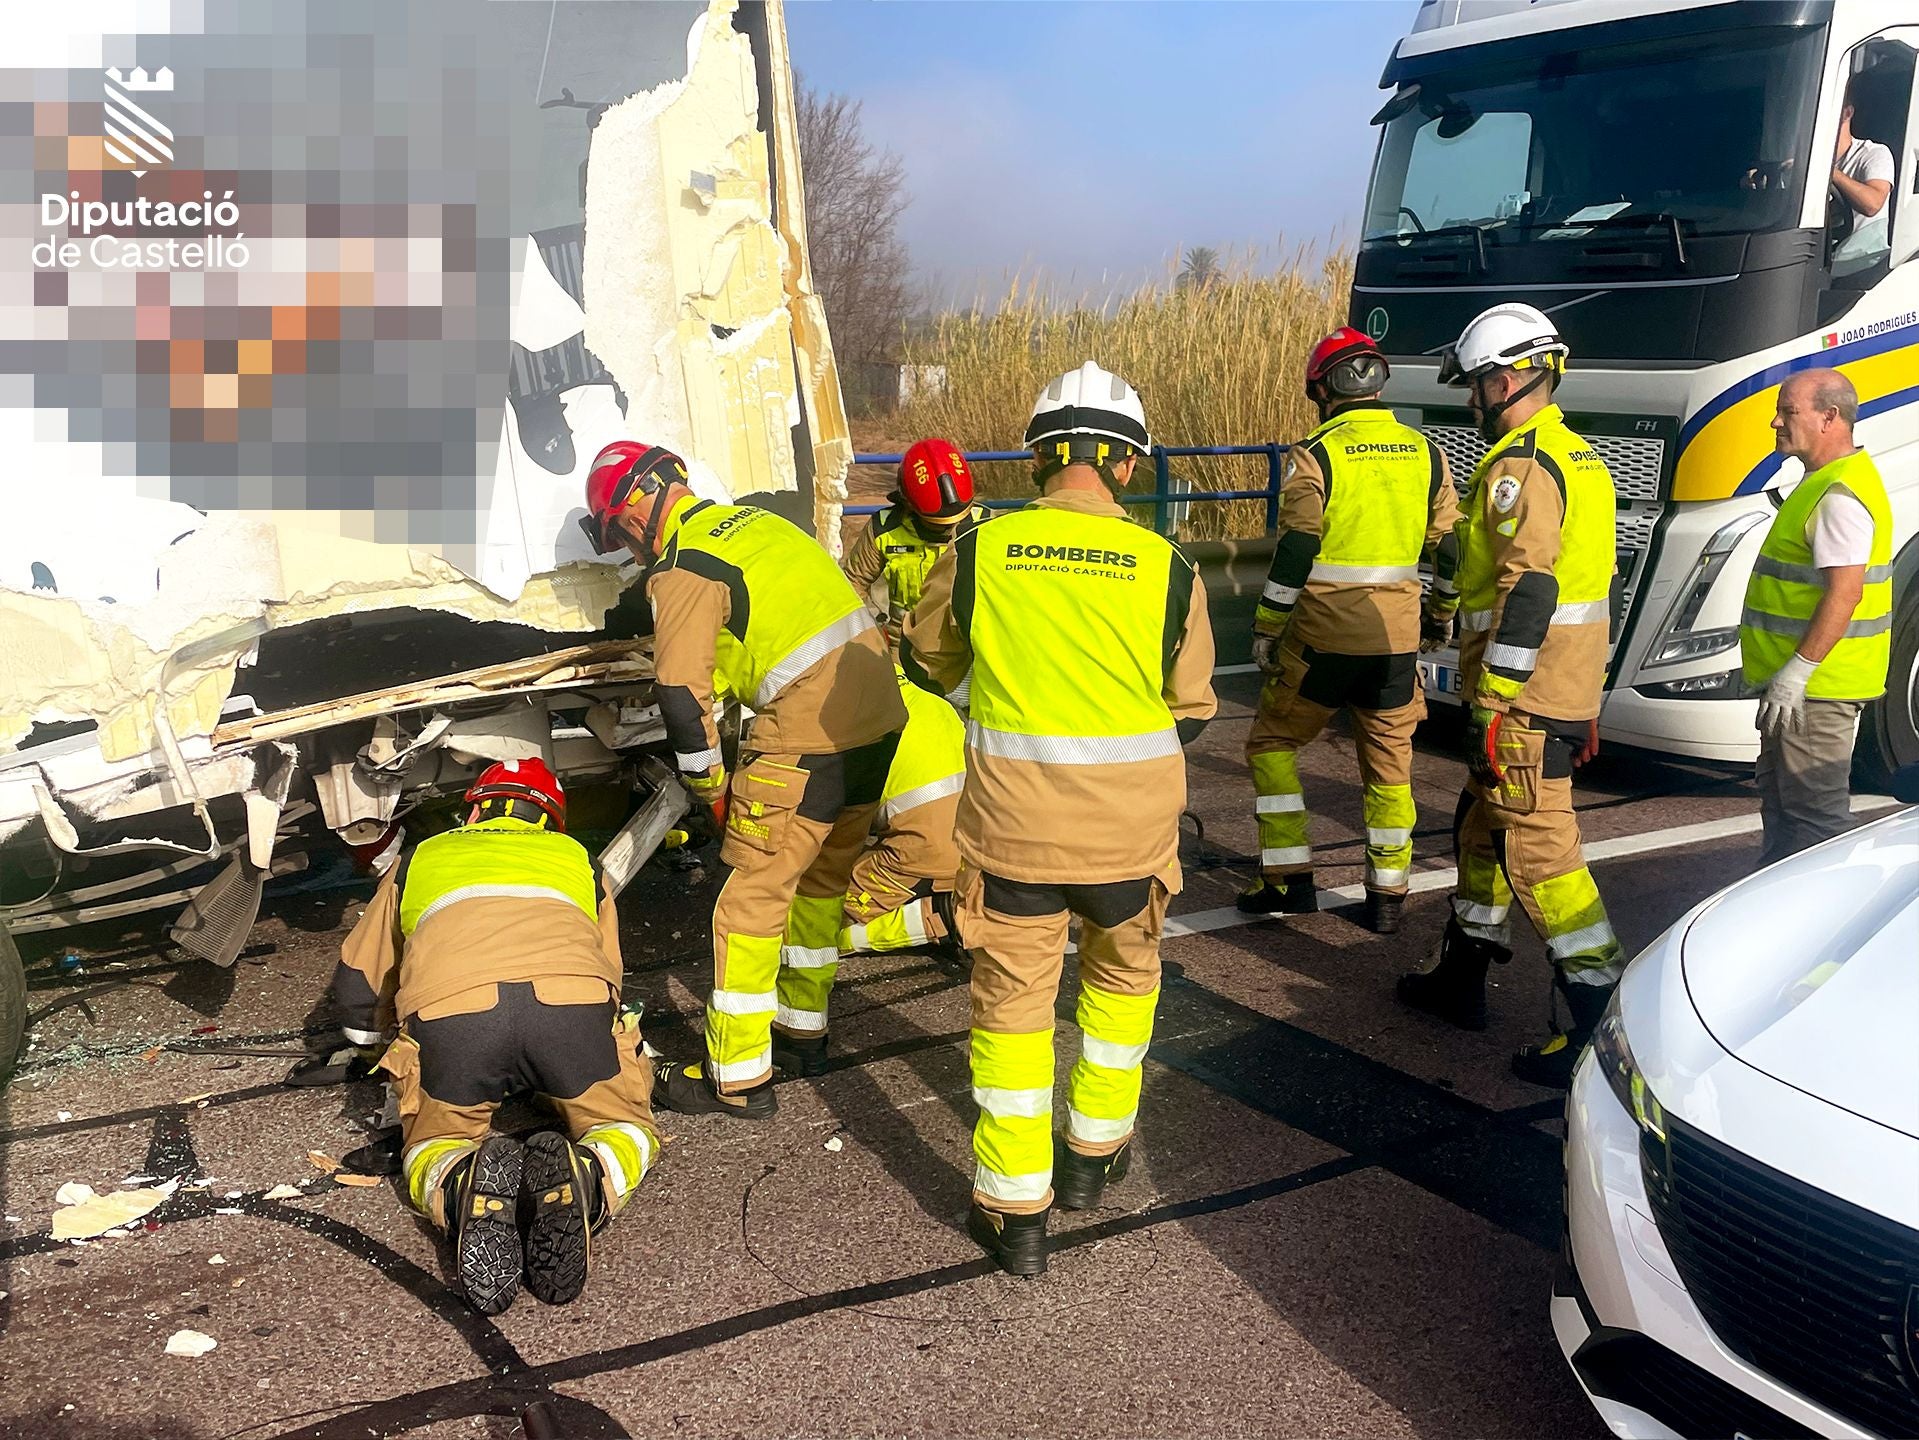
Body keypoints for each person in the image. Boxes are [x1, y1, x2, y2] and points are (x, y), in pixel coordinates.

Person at [902, 361, 1217, 1275]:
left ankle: (1016, 1213)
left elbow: (928, 659)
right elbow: (1190, 705)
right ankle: (1092, 1157)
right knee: (1120, 996)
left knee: (1012, 1017)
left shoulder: (980, 549)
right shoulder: (1169, 567)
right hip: (1129, 839)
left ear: (1040, 457)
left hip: (1012, 838)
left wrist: (990, 693)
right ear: (1127, 465)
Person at [581, 440, 906, 1117]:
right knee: (818, 884)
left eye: (620, 530)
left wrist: (709, 788)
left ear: (641, 503)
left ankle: (735, 1077)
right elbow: (762, 637)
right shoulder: (760, 525)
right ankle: (802, 1030)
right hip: (879, 721)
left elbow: (677, 693)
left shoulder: (682, 567)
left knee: (747, 906)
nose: (628, 547)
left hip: (809, 735)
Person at [328, 759, 659, 1315]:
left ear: (475, 809)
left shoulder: (422, 858)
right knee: (627, 1128)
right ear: (550, 819)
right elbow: (608, 969)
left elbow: (361, 978)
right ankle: (591, 1177)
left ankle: (460, 1184)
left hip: (455, 1019)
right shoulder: (578, 859)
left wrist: (372, 1048)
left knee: (433, 1145)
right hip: (570, 1012)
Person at [1396, 304, 1622, 1089]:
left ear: (1504, 378)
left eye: (1473, 386)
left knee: (1540, 855)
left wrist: (1491, 702)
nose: (1469, 403)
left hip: (1519, 697)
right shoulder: (1582, 458)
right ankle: (1462, 972)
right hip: (1558, 684)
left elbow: (1531, 586)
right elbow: (1601, 583)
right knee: (1479, 830)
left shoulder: (1515, 467)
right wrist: (1585, 696)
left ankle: (1600, 1023)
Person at [1240, 326, 1460, 934]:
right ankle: (1387, 895)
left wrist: (1266, 626)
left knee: (1273, 745)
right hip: (1395, 644)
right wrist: (1441, 615)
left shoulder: (1318, 454)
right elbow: (1452, 545)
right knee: (1391, 765)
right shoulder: (1426, 452)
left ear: (1319, 390)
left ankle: (1287, 879)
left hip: (1322, 642)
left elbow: (1297, 550)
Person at [1742, 369, 1892, 867]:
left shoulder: (1837, 496)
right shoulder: (1824, 484)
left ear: (1830, 418)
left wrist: (1797, 673)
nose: (1776, 422)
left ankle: (1827, 937)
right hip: (1806, 689)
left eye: (1789, 412)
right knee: (1788, 816)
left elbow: (1844, 594)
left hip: (1815, 691)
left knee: (1815, 825)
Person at [836, 664, 967, 963]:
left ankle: (937, 919)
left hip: (926, 849)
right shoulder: (933, 703)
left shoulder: (861, 721)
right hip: (977, 844)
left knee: (815, 914)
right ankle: (937, 894)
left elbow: (834, 818)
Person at [842, 438, 994, 645]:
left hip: (967, 645)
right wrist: (870, 635)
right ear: (908, 504)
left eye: (956, 521)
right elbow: (853, 583)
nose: (947, 530)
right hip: (903, 646)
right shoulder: (885, 529)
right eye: (936, 524)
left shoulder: (985, 524)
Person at [1832, 78, 1895, 240]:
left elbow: (1872, 204)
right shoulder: (1805, 161)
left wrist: (1830, 173)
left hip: (1863, 259)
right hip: (1819, 256)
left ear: (1847, 113)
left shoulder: (1874, 153)